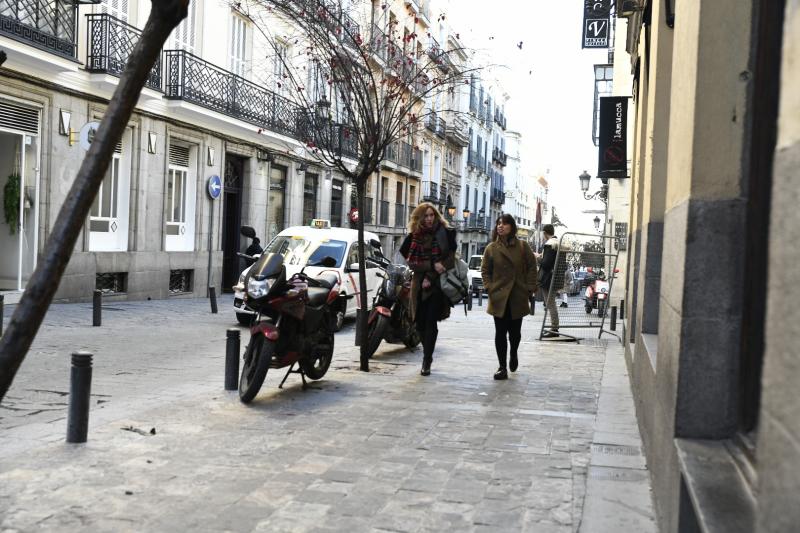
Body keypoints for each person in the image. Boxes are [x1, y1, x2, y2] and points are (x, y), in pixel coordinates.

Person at [400, 202, 456, 376]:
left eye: (432, 215)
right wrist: (430, 265)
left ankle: (426, 360)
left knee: (431, 321)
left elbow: (450, 259)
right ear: (420, 217)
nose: (430, 219)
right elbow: (409, 260)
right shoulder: (414, 236)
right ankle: (428, 352)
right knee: (418, 323)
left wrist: (432, 275)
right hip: (418, 284)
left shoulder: (445, 233)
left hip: (437, 284)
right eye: (426, 215)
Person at [481, 214, 538, 380]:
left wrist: (529, 287)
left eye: (505, 224)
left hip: (517, 295)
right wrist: (489, 287)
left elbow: (532, 267)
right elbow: (485, 271)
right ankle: (502, 367)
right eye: (499, 223)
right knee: (500, 332)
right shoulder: (491, 248)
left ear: (511, 227)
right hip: (499, 296)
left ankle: (513, 353)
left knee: (515, 334)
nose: (501, 226)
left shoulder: (522, 246)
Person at [535, 224, 562, 338]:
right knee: (551, 303)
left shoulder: (550, 244)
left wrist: (537, 257)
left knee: (550, 304)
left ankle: (554, 328)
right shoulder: (557, 242)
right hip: (555, 277)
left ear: (545, 233)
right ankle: (554, 327)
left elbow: (546, 264)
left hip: (548, 279)